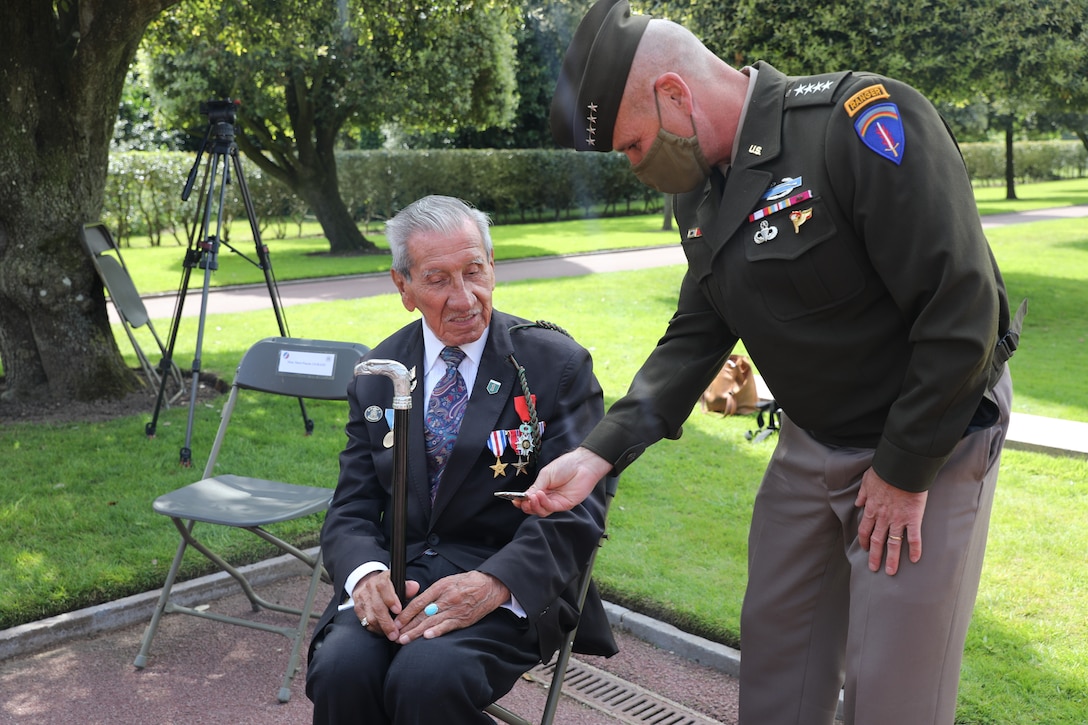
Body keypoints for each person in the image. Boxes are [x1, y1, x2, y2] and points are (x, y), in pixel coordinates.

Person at [518, 1, 1026, 724]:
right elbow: (698, 329)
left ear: (673, 95)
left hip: (928, 438)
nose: (634, 166)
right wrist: (599, 454)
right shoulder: (700, 188)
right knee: (776, 675)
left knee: (895, 696)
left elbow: (962, 311)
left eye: (632, 145)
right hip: (813, 440)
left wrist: (903, 470)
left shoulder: (855, 123)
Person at [305, 195, 616, 724]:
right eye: (438, 279)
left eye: (475, 271)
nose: (465, 298)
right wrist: (364, 574)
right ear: (402, 288)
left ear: (493, 266)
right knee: (340, 670)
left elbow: (578, 511)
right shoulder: (380, 371)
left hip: (509, 582)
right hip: (401, 576)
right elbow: (353, 502)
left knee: (424, 680)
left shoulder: (553, 363)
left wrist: (496, 583)